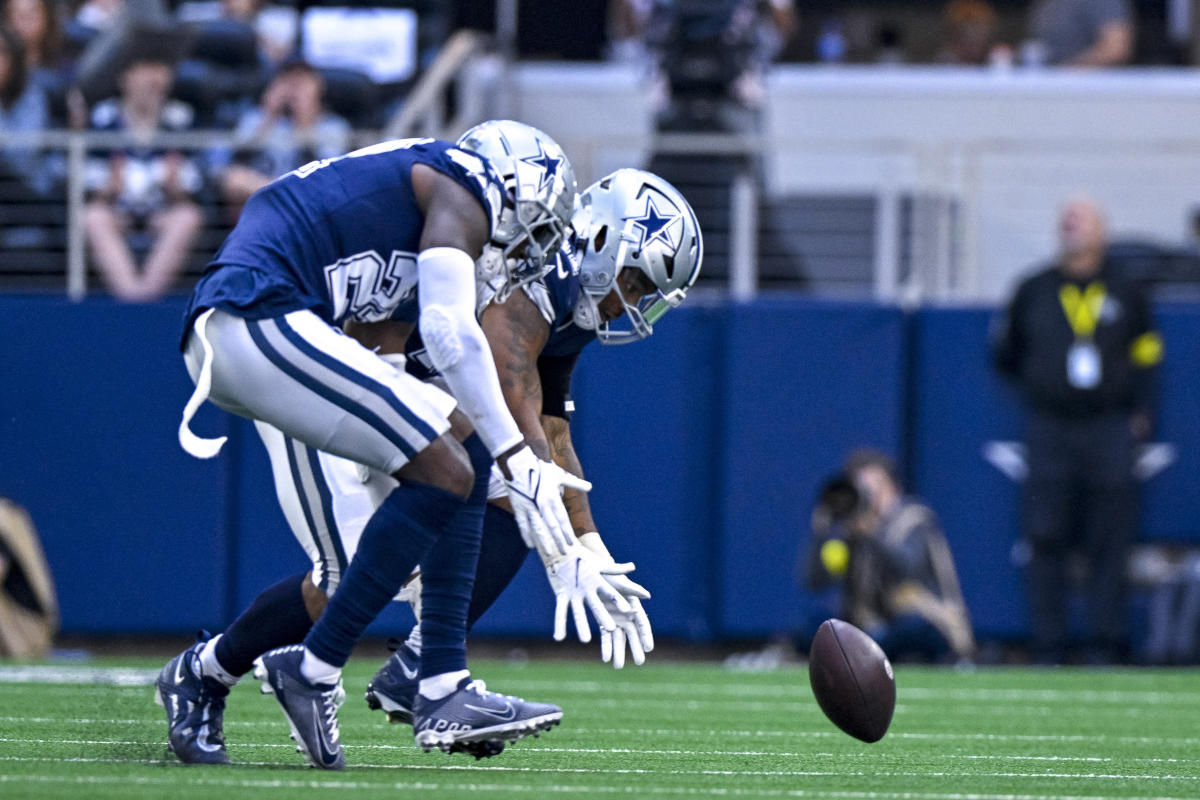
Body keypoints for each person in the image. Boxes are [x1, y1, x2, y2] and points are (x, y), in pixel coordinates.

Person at [153, 157, 701, 765]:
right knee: (363, 565)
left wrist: (589, 542)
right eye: (636, 282)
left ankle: (423, 665)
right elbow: (507, 393)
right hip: (328, 358)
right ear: (601, 236)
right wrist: (561, 545)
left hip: (400, 397)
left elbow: (549, 426)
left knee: (490, 492)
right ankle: (215, 671)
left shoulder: (564, 301)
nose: (634, 304)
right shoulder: (531, 266)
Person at [991, 195, 1163, 664]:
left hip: (1108, 427)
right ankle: (1049, 643)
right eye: (1065, 218)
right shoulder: (1034, 289)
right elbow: (1006, 353)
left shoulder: (1126, 291)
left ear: (1102, 231)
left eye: (1081, 218)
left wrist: (1138, 407)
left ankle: (1105, 643)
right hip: (1051, 427)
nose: (1072, 225)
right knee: (1045, 536)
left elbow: (1147, 357)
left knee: (1110, 538)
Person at [805, 449, 976, 664]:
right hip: (873, 625)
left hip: (927, 621)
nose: (869, 496)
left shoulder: (915, 518)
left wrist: (872, 533)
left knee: (910, 628)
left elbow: (908, 569)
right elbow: (813, 583)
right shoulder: (851, 530)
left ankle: (865, 652)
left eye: (875, 487)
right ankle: (865, 651)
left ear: (893, 487)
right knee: (815, 625)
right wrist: (821, 534)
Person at [81, 50, 204, 301]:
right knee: (93, 217)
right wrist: (108, 188)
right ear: (125, 78)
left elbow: (194, 182)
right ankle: (132, 297)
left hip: (162, 210)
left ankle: (144, 295)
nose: (155, 79)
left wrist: (176, 187)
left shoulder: (180, 118)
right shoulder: (104, 118)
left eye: (161, 70)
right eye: (147, 69)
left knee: (188, 217)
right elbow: (88, 179)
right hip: (118, 209)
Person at [218, 59, 351, 219]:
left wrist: (303, 125)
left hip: (304, 199)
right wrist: (269, 116)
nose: (293, 90)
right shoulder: (257, 118)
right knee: (234, 178)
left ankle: (281, 199)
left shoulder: (333, 126)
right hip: (261, 195)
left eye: (301, 84)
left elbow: (324, 176)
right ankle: (283, 199)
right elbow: (237, 160)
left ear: (319, 90)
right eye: (287, 81)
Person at [1026, 0, 1133, 67]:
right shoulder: (1046, 4)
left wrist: (1067, 71)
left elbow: (1114, 50)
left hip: (1088, 91)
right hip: (1047, 84)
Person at [936, 0, 998, 66]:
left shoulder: (997, 56)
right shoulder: (946, 60)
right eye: (966, 33)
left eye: (977, 32)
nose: (972, 37)